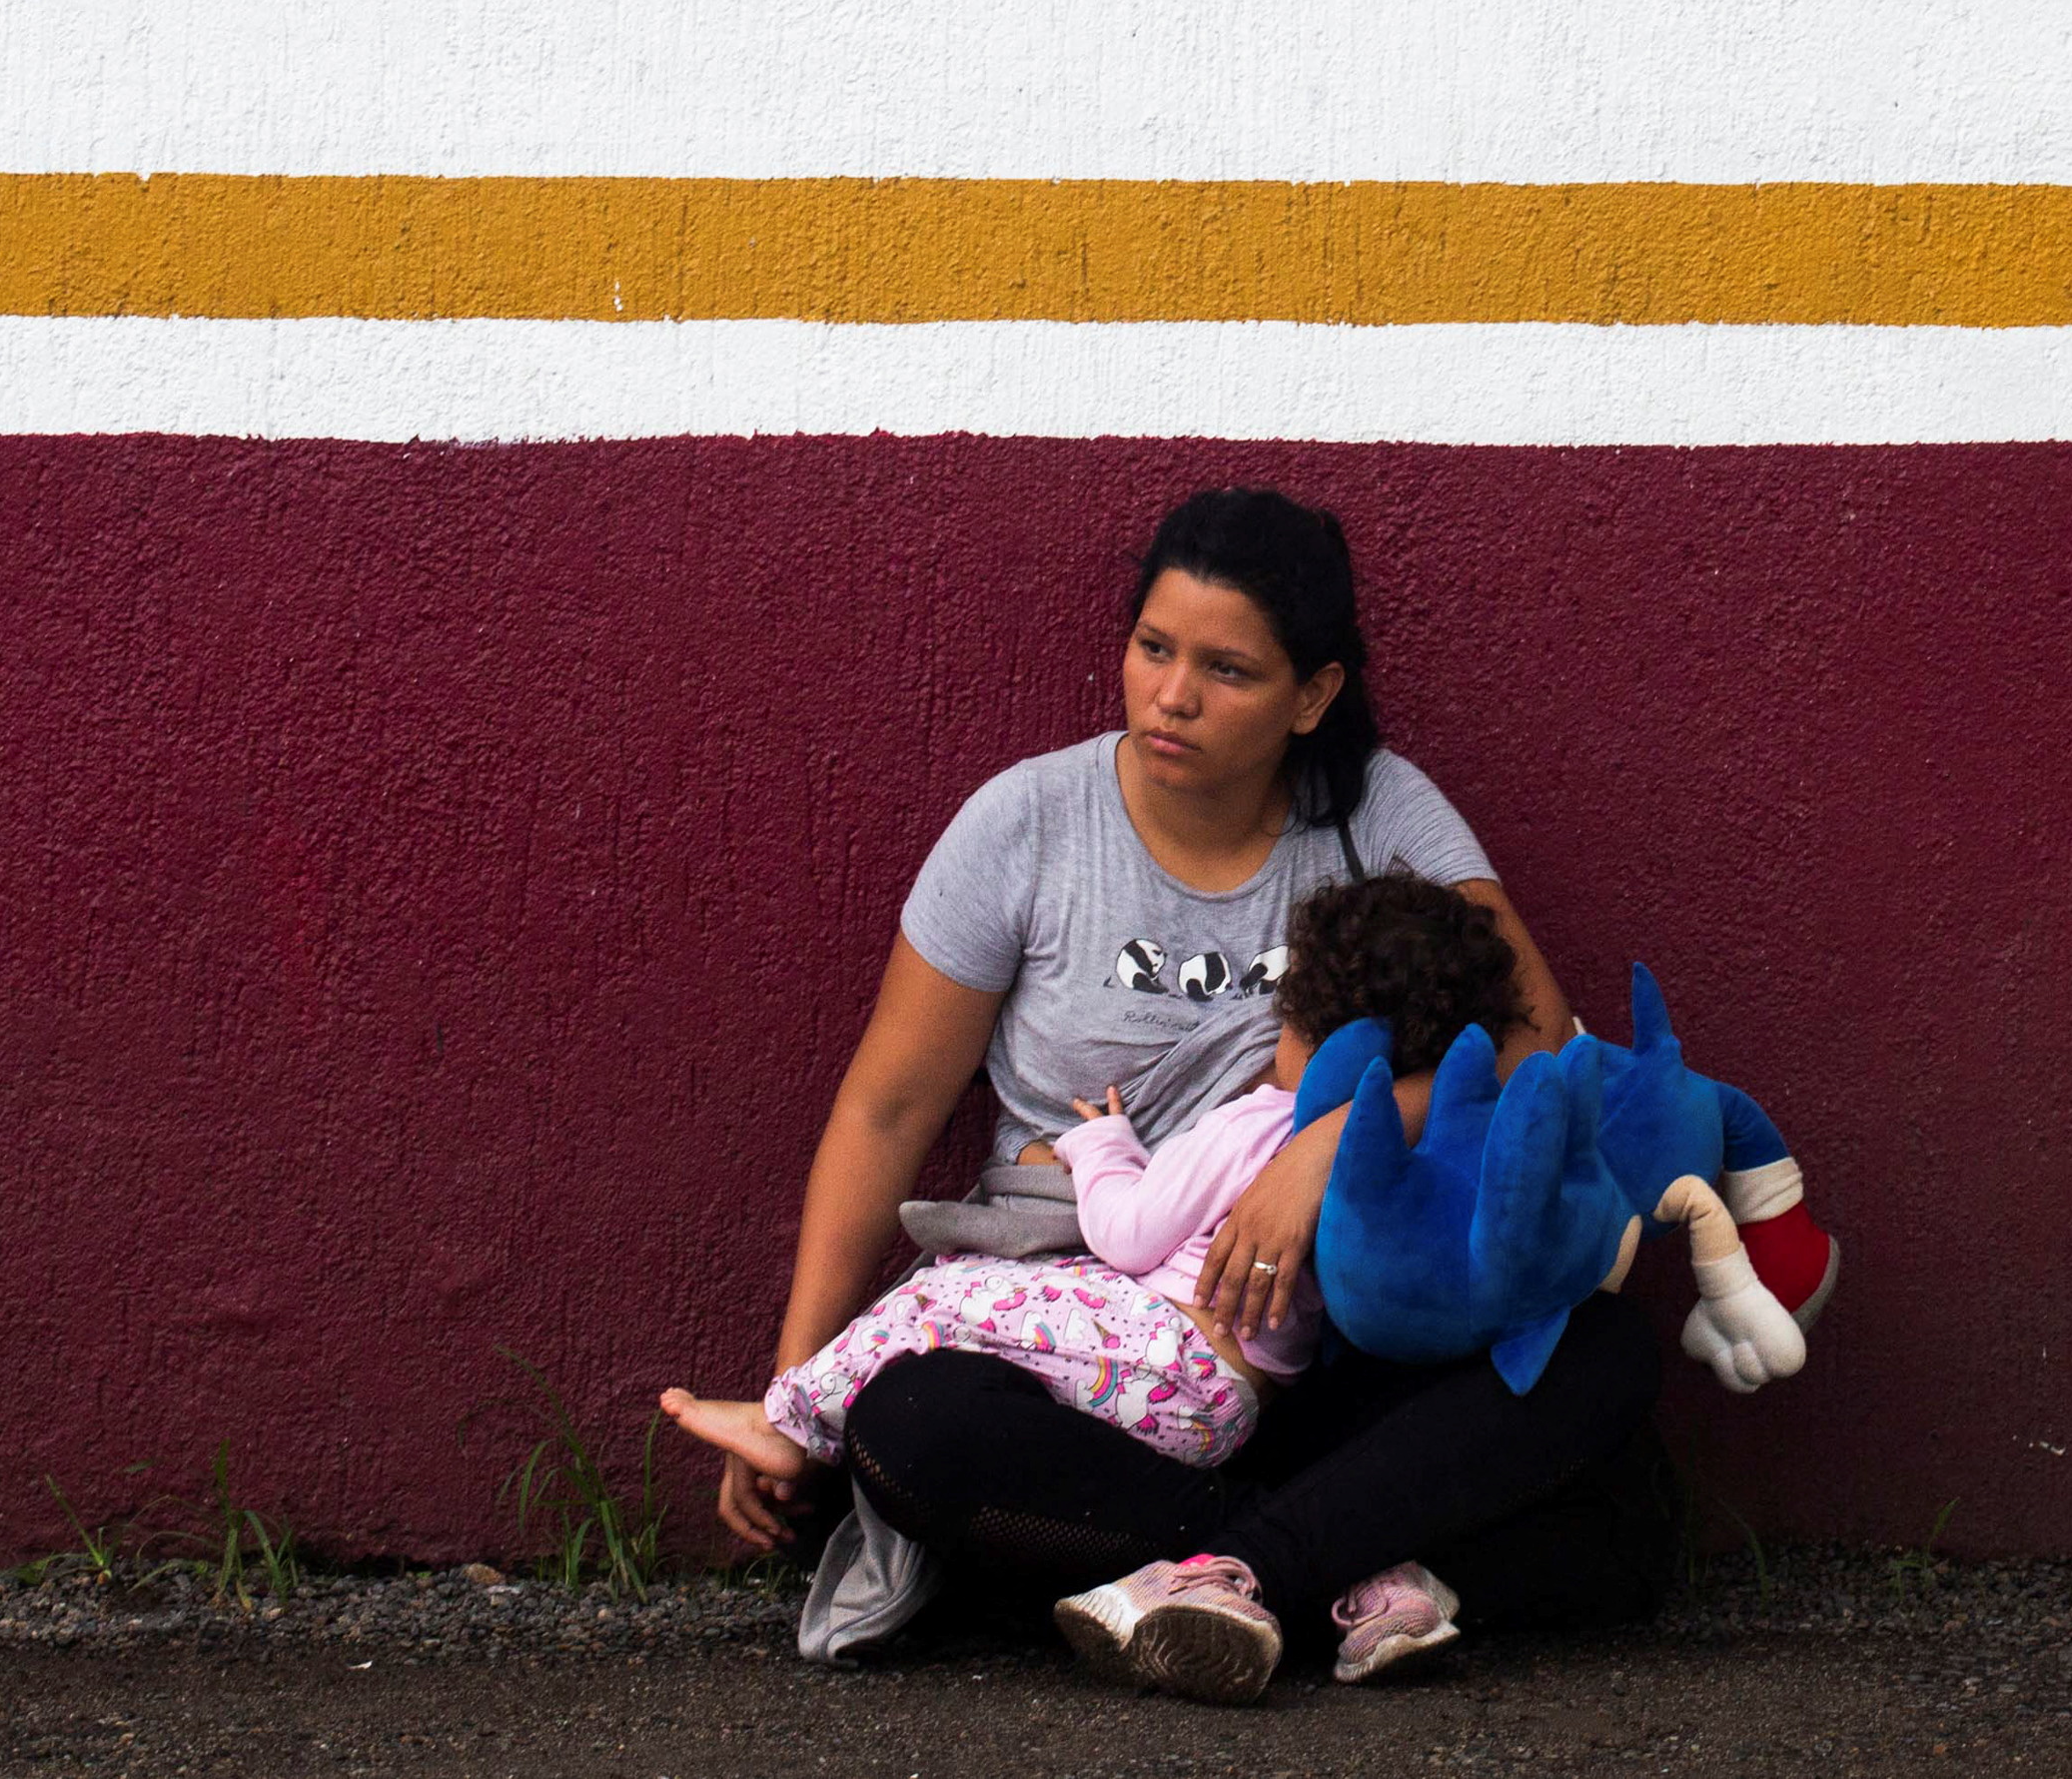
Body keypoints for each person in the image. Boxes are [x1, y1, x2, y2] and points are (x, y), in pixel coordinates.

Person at [717, 485, 1680, 1701]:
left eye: (1226, 669)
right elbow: (886, 1113)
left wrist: (1330, 1140)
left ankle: (1210, 1570)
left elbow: (1542, 1043)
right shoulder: (1029, 822)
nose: (1171, 695)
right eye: (1152, 649)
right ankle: (1327, 1559)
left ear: (1312, 695)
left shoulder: (1376, 810)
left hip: (1324, 1340)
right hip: (1085, 1363)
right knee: (912, 1428)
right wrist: (800, 1386)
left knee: (1600, 1364)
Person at [661, 865, 1527, 1480]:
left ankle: (791, 1420)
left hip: (1166, 1359)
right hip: (1238, 1405)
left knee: (944, 1295)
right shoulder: (1418, 1161)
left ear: (1302, 1025)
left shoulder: (1261, 1124)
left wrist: (1101, 1148)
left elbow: (1128, 1234)